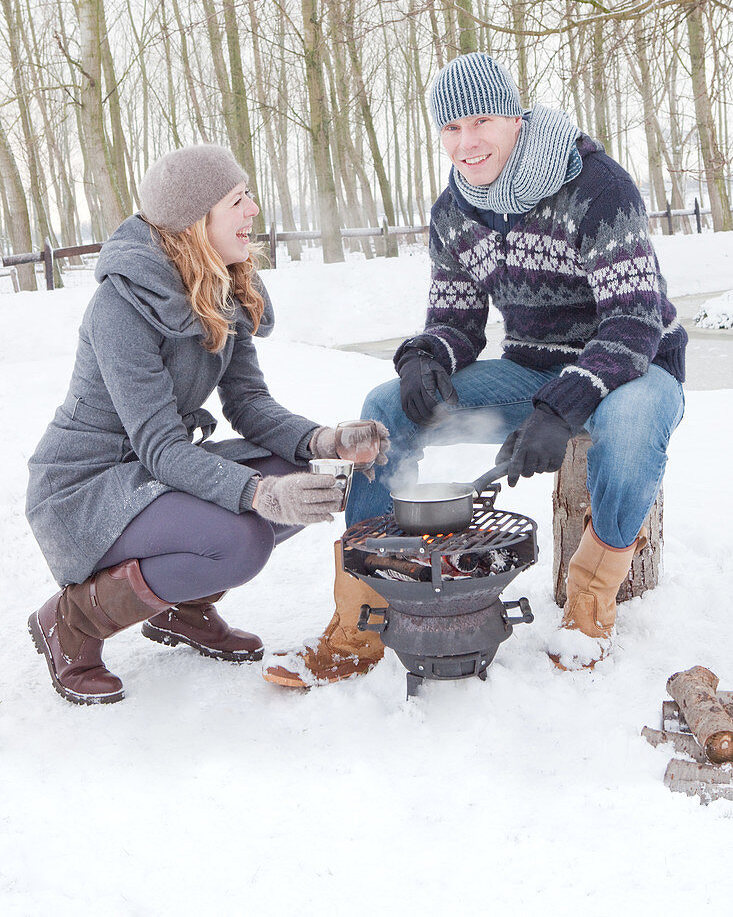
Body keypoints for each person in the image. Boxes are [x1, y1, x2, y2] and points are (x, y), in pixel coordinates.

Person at [266, 52, 687, 685]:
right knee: (382, 408)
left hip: (637, 367)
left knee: (626, 432)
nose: (467, 143)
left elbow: (633, 321)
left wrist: (561, 408)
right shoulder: (455, 210)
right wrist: (422, 359)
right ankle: (364, 615)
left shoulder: (597, 186)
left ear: (516, 118)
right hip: (532, 373)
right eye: (451, 128)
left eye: (481, 120)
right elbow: (457, 321)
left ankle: (588, 606)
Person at [26, 144, 388, 705]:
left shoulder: (224, 282)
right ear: (197, 220)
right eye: (237, 200)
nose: (253, 210)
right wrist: (259, 494)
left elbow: (247, 402)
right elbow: (160, 448)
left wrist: (325, 441)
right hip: (89, 488)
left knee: (306, 473)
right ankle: (70, 622)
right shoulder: (120, 307)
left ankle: (181, 609)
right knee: (240, 538)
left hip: (151, 476)